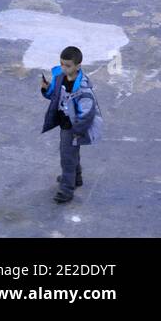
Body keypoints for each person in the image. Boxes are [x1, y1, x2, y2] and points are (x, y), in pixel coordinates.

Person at [41, 46, 102, 204]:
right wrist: (46, 89)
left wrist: (77, 130)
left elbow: (87, 113)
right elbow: (55, 96)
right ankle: (76, 177)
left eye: (68, 65)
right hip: (64, 122)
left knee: (67, 157)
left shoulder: (82, 88)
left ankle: (66, 189)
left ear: (78, 66)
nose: (63, 68)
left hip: (73, 127)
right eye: (62, 64)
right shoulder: (60, 78)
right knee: (72, 153)